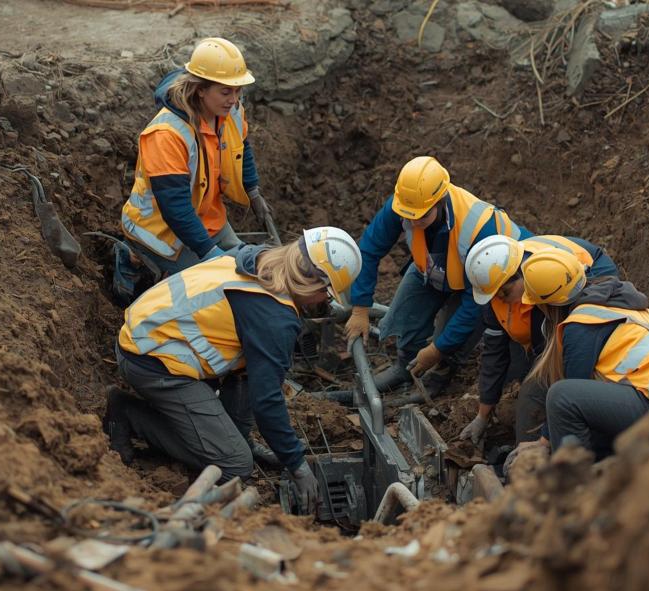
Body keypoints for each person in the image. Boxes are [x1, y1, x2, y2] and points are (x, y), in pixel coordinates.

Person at [103, 226, 362, 514]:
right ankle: (129, 413)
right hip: (151, 361)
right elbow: (267, 402)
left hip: (149, 334)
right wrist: (297, 465)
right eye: (326, 293)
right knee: (235, 465)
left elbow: (252, 377)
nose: (324, 302)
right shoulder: (275, 318)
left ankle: (236, 441)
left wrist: (244, 437)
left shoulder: (257, 258)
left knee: (248, 382)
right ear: (313, 281)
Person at [343, 156, 532, 396]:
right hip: (435, 267)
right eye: (408, 216)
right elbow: (369, 250)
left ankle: (441, 372)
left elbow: (473, 303)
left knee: (452, 339)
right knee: (403, 319)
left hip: (489, 281)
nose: (413, 222)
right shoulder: (405, 205)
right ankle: (406, 366)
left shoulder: (478, 227)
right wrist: (360, 308)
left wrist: (439, 348)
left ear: (440, 200)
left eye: (421, 217)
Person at [114, 38, 272, 303]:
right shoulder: (166, 134)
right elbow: (175, 208)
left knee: (253, 265)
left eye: (238, 91)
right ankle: (133, 260)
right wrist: (208, 255)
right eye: (225, 92)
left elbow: (241, 147)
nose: (234, 100)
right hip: (161, 232)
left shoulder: (229, 110)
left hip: (207, 216)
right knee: (216, 292)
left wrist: (253, 190)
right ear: (200, 89)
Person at [503, 247, 649, 472]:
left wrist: (543, 443)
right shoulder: (620, 303)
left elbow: (571, 394)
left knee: (562, 396)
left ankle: (572, 490)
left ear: (545, 304)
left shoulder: (582, 324)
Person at [459, 234, 619, 445]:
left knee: (549, 378)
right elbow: (494, 352)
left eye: (505, 293)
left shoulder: (547, 286)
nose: (502, 300)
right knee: (530, 374)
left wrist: (542, 440)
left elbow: (553, 359)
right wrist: (483, 415)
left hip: (591, 276)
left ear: (520, 274)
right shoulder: (496, 291)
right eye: (495, 296)